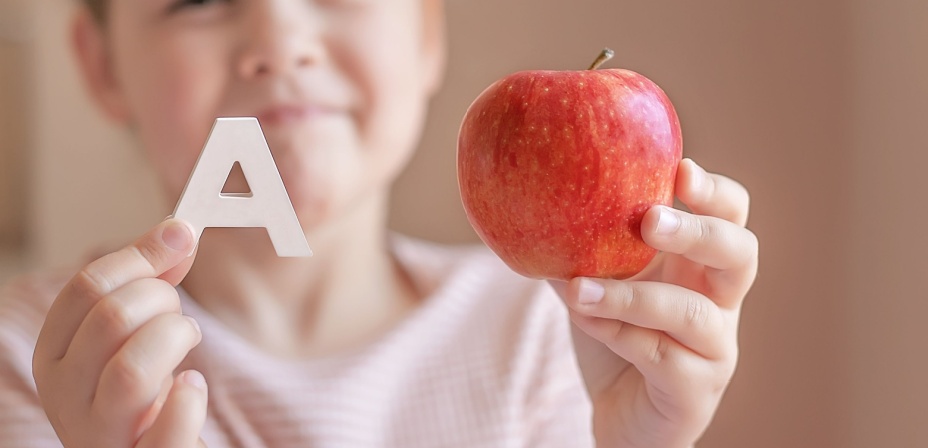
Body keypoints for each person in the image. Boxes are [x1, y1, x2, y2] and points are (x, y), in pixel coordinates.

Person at [0, 0, 759, 446]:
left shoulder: (553, 337)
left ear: (428, 31)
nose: (280, 41)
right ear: (99, 64)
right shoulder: (36, 357)